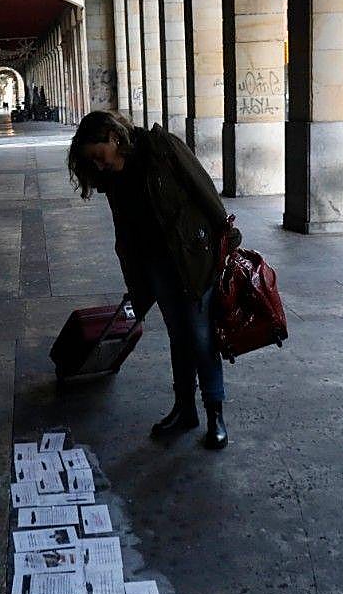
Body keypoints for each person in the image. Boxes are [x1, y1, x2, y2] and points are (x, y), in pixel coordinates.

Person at [67, 110, 239, 450]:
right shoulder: (112, 178)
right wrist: (136, 280)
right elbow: (126, 232)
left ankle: (214, 413)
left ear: (114, 137)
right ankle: (184, 408)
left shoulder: (160, 146)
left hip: (191, 256)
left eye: (99, 157)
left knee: (202, 337)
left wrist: (226, 230)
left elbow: (200, 185)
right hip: (156, 264)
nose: (98, 166)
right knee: (178, 336)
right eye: (93, 162)